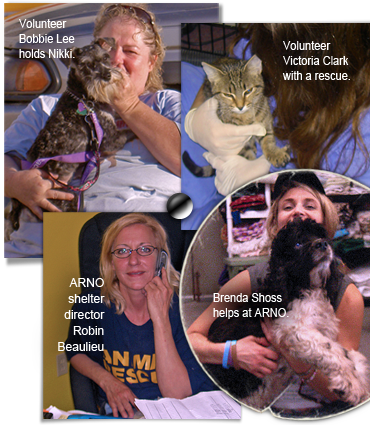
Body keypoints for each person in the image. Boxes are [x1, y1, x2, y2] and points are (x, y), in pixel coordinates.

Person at [4, 3, 181, 257]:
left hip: (143, 246)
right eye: (105, 47)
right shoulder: (46, 107)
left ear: (152, 62)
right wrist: (14, 182)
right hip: (48, 247)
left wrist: (129, 105)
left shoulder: (167, 104)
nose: (114, 60)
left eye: (130, 51)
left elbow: (189, 162)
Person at [186, 171, 365, 416]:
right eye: (287, 206)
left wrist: (295, 359)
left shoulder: (347, 295)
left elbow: (345, 391)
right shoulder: (250, 281)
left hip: (316, 408)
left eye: (309, 205)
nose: (298, 211)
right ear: (275, 222)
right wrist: (232, 353)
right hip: (248, 397)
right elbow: (192, 338)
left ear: (325, 218)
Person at [181, 23, 370, 229]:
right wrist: (195, 116)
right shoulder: (271, 37)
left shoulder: (360, 137)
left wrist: (264, 174)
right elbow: (233, 67)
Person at [66, 213, 215, 418]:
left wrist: (160, 317)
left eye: (145, 250)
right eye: (122, 251)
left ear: (161, 259)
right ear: (111, 262)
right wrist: (108, 382)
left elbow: (177, 394)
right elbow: (76, 351)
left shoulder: (187, 309)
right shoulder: (90, 304)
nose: (133, 260)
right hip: (123, 411)